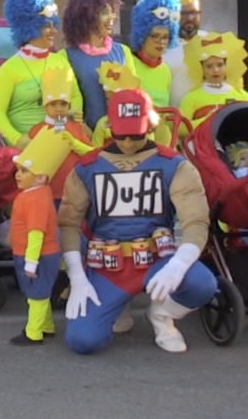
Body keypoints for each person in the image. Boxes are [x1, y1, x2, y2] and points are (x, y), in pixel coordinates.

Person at [59, 89, 217, 354]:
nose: (129, 144)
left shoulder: (175, 166)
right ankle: (117, 306)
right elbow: (68, 223)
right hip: (109, 269)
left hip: (158, 261)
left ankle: (162, 313)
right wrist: (76, 276)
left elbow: (196, 221)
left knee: (202, 285)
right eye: (121, 136)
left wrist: (178, 265)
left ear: (151, 126)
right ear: (109, 127)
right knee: (83, 341)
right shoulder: (87, 168)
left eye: (137, 135)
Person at [0, 0, 82, 148]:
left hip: (59, 142)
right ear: (28, 26)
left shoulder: (60, 61)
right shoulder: (9, 68)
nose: (54, 31)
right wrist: (18, 139)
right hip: (26, 150)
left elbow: (75, 96)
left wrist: (68, 120)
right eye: (47, 25)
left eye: (53, 24)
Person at [8, 129, 70, 345]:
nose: (18, 174)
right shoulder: (37, 195)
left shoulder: (34, 199)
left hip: (37, 255)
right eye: (18, 169)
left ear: (41, 176)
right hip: (39, 254)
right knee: (40, 292)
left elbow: (36, 233)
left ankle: (33, 332)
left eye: (24, 170)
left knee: (36, 295)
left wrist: (31, 262)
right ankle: (47, 325)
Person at [59, 0, 136, 135]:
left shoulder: (123, 51)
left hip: (123, 138)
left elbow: (135, 94)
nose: (112, 17)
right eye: (104, 13)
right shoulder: (65, 56)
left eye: (112, 12)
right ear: (86, 18)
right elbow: (59, 109)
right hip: (85, 138)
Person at [27, 67, 94, 204]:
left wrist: (75, 143)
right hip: (49, 189)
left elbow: (91, 153)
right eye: (53, 104)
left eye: (63, 104)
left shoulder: (76, 127)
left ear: (69, 106)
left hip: (76, 188)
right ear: (45, 107)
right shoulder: (37, 130)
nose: (59, 108)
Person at [129, 0, 182, 146]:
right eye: (155, 36)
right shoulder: (129, 62)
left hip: (162, 138)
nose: (161, 42)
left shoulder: (165, 69)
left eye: (165, 37)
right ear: (142, 35)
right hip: (135, 137)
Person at [177, 31, 248, 129]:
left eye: (220, 65)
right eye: (209, 66)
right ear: (201, 69)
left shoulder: (242, 96)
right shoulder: (191, 98)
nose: (215, 70)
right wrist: (207, 119)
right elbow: (180, 129)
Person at [166, 0, 210, 107]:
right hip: (174, 119)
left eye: (195, 13)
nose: (190, 18)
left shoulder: (211, 41)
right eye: (184, 13)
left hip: (206, 116)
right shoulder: (163, 44)